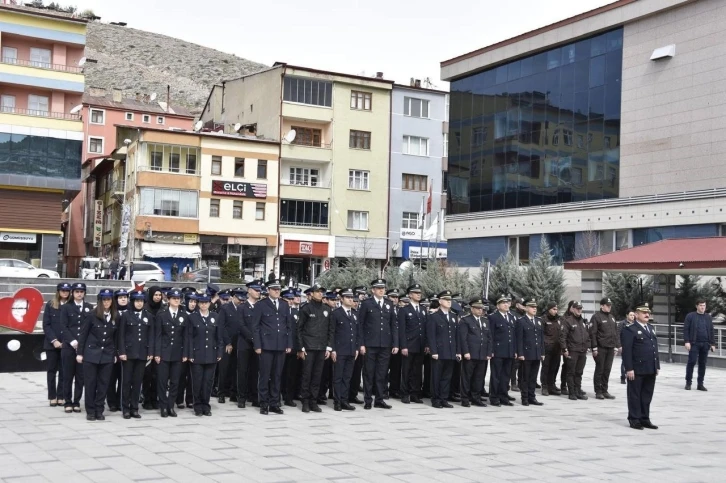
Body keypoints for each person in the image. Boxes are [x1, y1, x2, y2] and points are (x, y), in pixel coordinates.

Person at [253, 279, 293, 415]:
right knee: (265, 376)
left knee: (277, 375)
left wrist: (289, 344)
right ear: (268, 290)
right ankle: (263, 403)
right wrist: (257, 345)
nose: (277, 291)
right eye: (274, 289)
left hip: (280, 345)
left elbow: (288, 326)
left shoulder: (284, 305)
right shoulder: (261, 305)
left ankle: (274, 402)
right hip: (266, 346)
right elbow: (256, 327)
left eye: (279, 289)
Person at [76, 289, 117, 421]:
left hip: (107, 355)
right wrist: (80, 353)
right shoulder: (92, 315)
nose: (106, 302)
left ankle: (99, 409)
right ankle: (90, 410)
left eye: (109, 299)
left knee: (103, 384)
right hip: (91, 354)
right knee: (90, 384)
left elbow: (115, 337)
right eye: (104, 300)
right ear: (100, 301)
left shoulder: (115, 316)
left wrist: (115, 353)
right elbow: (83, 335)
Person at [358, 279, 399, 410]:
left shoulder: (389, 304)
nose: (382, 290)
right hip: (370, 344)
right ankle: (368, 399)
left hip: (385, 344)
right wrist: (362, 344)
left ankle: (380, 399)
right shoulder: (366, 304)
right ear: (373, 290)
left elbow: (393, 325)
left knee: (382, 373)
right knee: (369, 373)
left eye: (383, 288)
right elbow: (360, 325)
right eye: (378, 288)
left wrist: (395, 343)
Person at [621, 302, 659, 430]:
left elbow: (654, 348)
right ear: (636, 315)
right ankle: (634, 418)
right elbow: (627, 351)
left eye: (648, 312)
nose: (647, 314)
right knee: (635, 394)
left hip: (650, 368)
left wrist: (656, 365)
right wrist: (629, 368)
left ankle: (644, 418)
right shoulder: (629, 329)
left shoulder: (651, 328)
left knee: (647, 395)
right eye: (644, 312)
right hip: (637, 369)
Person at [297, 283, 334, 413]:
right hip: (309, 347)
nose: (320, 293)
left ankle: (314, 401)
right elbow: (299, 329)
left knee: (317, 376)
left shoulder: (327, 309)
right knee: (307, 375)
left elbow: (330, 330)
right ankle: (305, 402)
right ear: (311, 293)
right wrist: (301, 347)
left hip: (321, 347)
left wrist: (328, 348)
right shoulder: (306, 308)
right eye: (317, 291)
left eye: (321, 292)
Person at [118, 290, 153, 419]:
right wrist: (121, 351)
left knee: (138, 382)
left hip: (142, 353)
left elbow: (151, 335)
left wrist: (150, 351)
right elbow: (121, 335)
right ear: (132, 302)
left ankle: (134, 408)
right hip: (128, 353)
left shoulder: (148, 316)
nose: (139, 303)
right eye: (137, 301)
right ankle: (125, 408)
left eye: (141, 301)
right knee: (126, 382)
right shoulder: (126, 315)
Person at [187, 294, 223, 416]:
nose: (203, 305)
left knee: (208, 382)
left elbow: (219, 337)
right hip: (197, 354)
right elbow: (190, 337)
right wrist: (190, 353)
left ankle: (206, 405)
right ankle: (197, 406)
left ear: (209, 304)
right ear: (198, 304)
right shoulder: (193, 317)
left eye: (206, 303)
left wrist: (219, 352)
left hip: (211, 354)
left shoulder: (215, 316)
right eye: (201, 303)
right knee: (197, 381)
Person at [60, 282, 92, 413]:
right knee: (68, 376)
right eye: (77, 291)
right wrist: (72, 341)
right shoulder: (66, 307)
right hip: (69, 346)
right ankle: (67, 401)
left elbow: (90, 327)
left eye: (82, 291)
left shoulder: (89, 307)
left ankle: (76, 401)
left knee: (80, 376)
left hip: (83, 347)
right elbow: (63, 326)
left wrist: (83, 343)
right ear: (72, 293)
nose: (79, 294)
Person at [154, 288, 186, 418]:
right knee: (162, 381)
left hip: (177, 353)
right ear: (168, 299)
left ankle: (170, 406)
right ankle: (163, 406)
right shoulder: (162, 315)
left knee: (175, 382)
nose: (176, 300)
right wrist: (157, 353)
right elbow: (158, 336)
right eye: (174, 298)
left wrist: (186, 353)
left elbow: (186, 337)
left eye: (178, 299)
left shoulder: (184, 315)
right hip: (164, 352)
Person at [457, 298, 492, 407]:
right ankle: (465, 398)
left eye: (481, 308)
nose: (480, 310)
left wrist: (489, 352)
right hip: (470, 354)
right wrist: (465, 352)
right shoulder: (465, 320)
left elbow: (489, 338)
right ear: (472, 309)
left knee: (479, 377)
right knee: (467, 377)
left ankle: (476, 397)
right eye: (477, 308)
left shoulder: (485, 321)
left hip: (482, 354)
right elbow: (462, 338)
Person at [427, 290, 459, 408]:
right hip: (439, 352)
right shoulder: (434, 317)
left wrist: (457, 351)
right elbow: (431, 336)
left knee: (447, 377)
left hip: (450, 351)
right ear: (440, 301)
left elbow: (456, 336)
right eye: (446, 300)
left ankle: (444, 398)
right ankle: (435, 399)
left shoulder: (453, 317)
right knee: (436, 377)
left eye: (450, 300)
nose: (449, 302)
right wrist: (433, 351)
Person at [398, 284, 427, 404]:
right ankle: (405, 394)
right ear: (410, 295)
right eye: (415, 292)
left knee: (417, 371)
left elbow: (425, 329)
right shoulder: (404, 310)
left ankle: (415, 393)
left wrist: (427, 344)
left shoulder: (423, 310)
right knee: (406, 370)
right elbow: (402, 330)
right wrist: (403, 346)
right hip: (409, 345)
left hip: (420, 345)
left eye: (419, 292)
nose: (418, 294)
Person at [330, 288, 359, 411]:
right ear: (341, 299)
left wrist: (357, 348)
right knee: (338, 377)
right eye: (347, 297)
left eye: (351, 297)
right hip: (340, 350)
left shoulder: (354, 313)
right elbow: (332, 332)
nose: (350, 299)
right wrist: (333, 349)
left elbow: (357, 333)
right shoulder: (336, 313)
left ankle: (344, 400)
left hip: (351, 350)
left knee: (347, 377)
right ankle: (337, 401)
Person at [43, 282, 71, 407]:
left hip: (66, 343)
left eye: (67, 290)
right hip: (52, 344)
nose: (65, 292)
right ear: (58, 291)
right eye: (62, 290)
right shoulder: (50, 305)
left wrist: (66, 341)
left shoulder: (71, 306)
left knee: (64, 371)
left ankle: (61, 396)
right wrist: (54, 340)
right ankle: (52, 396)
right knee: (51, 371)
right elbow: (46, 325)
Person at [217, 287, 245, 405]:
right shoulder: (225, 308)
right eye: (239, 298)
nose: (241, 301)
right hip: (227, 342)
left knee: (236, 369)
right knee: (224, 369)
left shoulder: (243, 308)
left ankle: (234, 393)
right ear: (233, 297)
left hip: (239, 342)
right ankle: (221, 393)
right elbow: (221, 327)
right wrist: (227, 342)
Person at [515, 298, 545, 406]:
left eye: (535, 307)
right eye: (532, 307)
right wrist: (520, 353)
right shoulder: (521, 321)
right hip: (526, 354)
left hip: (536, 353)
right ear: (526, 308)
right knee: (525, 377)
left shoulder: (538, 321)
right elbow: (519, 339)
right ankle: (525, 398)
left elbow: (541, 338)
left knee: (533, 377)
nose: (534, 309)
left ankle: (532, 397)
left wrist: (542, 352)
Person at [590, 297, 621, 400]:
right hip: (601, 347)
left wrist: (616, 346)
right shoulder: (596, 317)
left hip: (610, 348)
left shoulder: (612, 317)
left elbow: (616, 333)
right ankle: (598, 391)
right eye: (607, 305)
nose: (609, 307)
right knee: (600, 369)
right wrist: (594, 347)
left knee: (607, 370)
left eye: (610, 305)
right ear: (602, 306)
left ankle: (604, 390)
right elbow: (593, 333)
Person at [488, 294, 516, 407]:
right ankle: (494, 397)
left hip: (509, 351)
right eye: (503, 303)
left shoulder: (511, 317)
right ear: (498, 305)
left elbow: (514, 336)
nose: (506, 304)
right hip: (498, 351)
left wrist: (515, 350)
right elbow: (491, 335)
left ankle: (503, 396)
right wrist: (491, 350)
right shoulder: (493, 317)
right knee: (496, 375)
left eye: (507, 302)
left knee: (506, 376)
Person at [560, 301, 591, 401]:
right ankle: (572, 392)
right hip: (572, 350)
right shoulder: (568, 321)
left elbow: (587, 335)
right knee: (571, 372)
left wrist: (588, 346)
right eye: (577, 308)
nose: (579, 310)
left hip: (582, 350)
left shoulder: (583, 321)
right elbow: (562, 336)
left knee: (579, 372)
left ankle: (578, 391)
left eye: (580, 308)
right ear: (572, 309)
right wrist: (564, 349)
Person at [683, 298, 716, 391]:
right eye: (701, 305)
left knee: (703, 364)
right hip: (694, 343)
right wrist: (687, 341)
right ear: (697, 306)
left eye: (704, 305)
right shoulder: (690, 316)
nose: (703, 307)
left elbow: (711, 330)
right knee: (692, 362)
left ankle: (700, 384)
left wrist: (713, 343)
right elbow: (686, 329)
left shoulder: (708, 317)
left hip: (705, 343)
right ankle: (688, 382)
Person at [106, 289, 129, 413]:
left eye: (125, 297)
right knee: (111, 378)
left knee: (123, 378)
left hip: (126, 350)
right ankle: (111, 402)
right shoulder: (112, 313)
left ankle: (121, 401)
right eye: (120, 297)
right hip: (112, 349)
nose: (123, 299)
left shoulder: (131, 312)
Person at [176, 291, 198, 409]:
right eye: (191, 301)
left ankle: (190, 399)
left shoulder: (197, 315)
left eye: (195, 302)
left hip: (194, 350)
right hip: (182, 349)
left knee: (192, 376)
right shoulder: (181, 314)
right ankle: (179, 399)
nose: (193, 304)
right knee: (181, 375)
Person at [282, 288, 302, 407]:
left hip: (293, 348)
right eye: (288, 299)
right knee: (279, 374)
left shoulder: (296, 312)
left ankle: (289, 396)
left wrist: (299, 348)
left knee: (291, 374)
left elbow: (297, 332)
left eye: (291, 299)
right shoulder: (280, 312)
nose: (290, 301)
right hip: (280, 347)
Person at [540, 302, 562, 396]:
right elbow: (541, 335)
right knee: (546, 368)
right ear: (549, 309)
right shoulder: (543, 319)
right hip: (547, 348)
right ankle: (544, 386)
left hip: (557, 348)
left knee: (554, 368)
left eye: (556, 309)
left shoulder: (559, 319)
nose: (555, 311)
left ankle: (551, 385)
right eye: (553, 309)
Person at [386, 288, 402, 399]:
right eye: (392, 297)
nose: (395, 299)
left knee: (396, 369)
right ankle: (381, 390)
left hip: (397, 344)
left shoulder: (401, 310)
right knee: (383, 369)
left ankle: (394, 390)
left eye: (396, 297)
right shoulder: (385, 309)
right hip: (386, 343)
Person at [619, 310, 635, 384]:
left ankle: (630, 375)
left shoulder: (635, 324)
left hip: (633, 346)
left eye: (633, 315)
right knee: (624, 361)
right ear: (627, 315)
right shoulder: (622, 324)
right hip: (625, 345)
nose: (632, 316)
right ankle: (623, 376)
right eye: (631, 315)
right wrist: (619, 345)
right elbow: (618, 335)